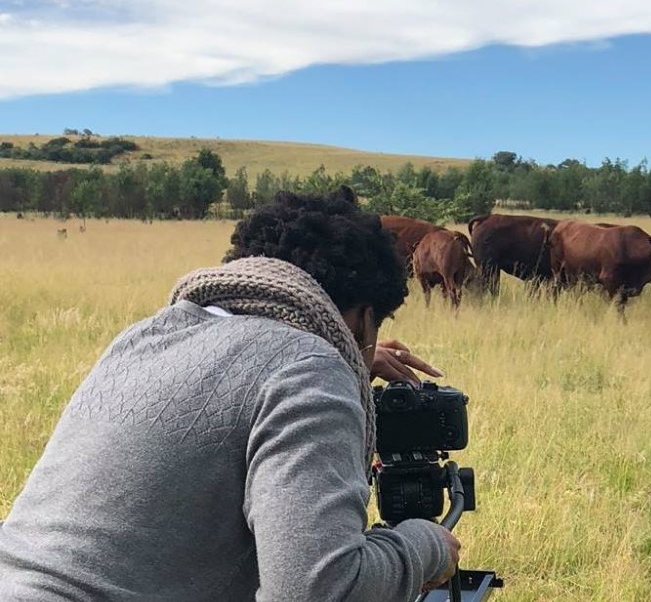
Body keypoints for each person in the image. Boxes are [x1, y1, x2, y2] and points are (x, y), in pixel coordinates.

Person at [0, 188, 461, 601]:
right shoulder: (306, 368)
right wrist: (423, 547)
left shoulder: (144, 337)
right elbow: (317, 590)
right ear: (363, 317)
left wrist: (346, 360)